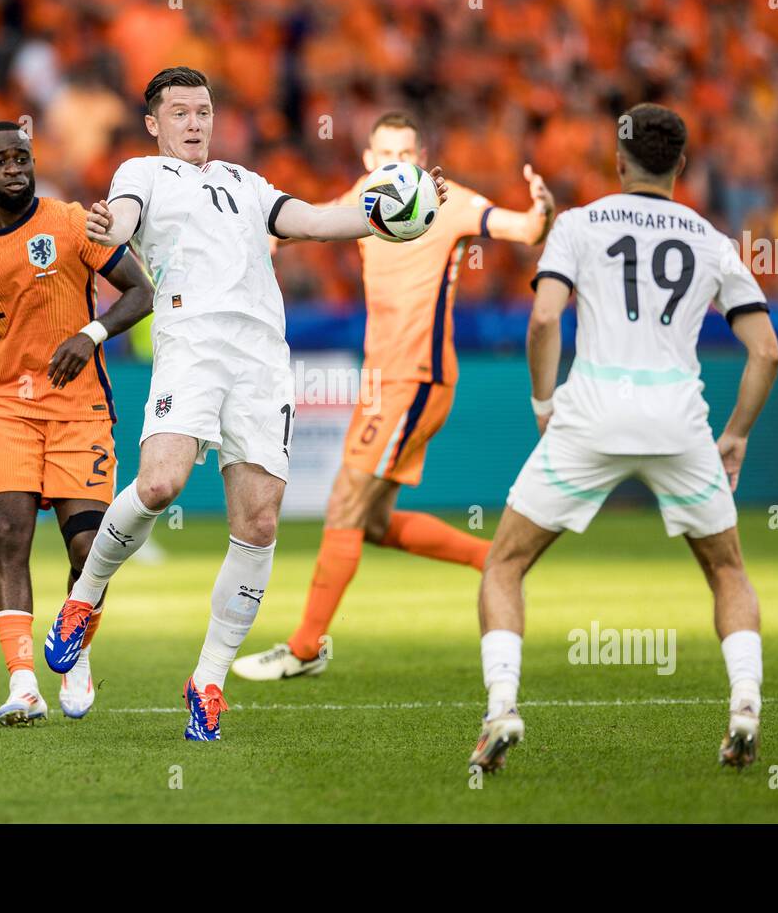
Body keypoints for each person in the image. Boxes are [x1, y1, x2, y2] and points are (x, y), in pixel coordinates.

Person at [41, 67, 449, 741]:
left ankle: (208, 680)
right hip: (192, 342)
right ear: (154, 123)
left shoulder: (245, 183)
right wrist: (109, 225)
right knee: (161, 481)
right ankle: (82, 603)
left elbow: (316, 220)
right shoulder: (141, 174)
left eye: (203, 110)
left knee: (258, 526)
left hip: (263, 360)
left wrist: (391, 210)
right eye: (179, 113)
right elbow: (123, 223)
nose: (195, 122)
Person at [470, 103, 778, 773]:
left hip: (590, 412)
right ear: (682, 166)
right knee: (727, 569)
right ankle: (746, 706)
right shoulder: (710, 240)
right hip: (678, 421)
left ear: (618, 160)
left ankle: (502, 707)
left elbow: (544, 319)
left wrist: (544, 401)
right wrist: (736, 436)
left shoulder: (579, 225)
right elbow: (767, 354)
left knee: (505, 564)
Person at [234, 111, 555, 681]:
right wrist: (266, 235)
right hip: (382, 379)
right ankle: (495, 560)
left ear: (423, 157)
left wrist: (539, 214)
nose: (396, 166)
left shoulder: (447, 198)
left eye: (407, 155)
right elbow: (312, 222)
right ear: (367, 161)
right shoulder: (367, 196)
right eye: (386, 155)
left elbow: (522, 231)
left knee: (346, 504)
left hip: (417, 375)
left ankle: (306, 648)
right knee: (374, 523)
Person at [0, 121, 153, 726]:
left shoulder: (72, 222)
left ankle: (74, 653)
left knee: (86, 547)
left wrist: (91, 333)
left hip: (79, 408)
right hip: (11, 411)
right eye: (1, 160)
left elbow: (140, 292)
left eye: (22, 157)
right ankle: (23, 683)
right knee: (8, 539)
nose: (15, 168)